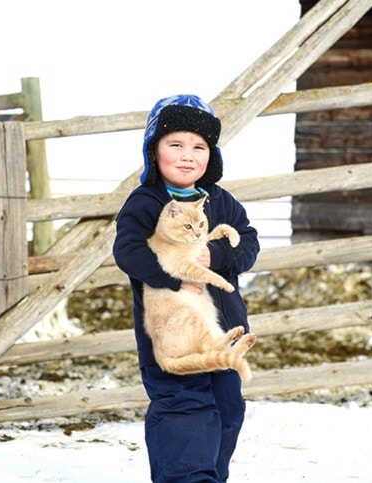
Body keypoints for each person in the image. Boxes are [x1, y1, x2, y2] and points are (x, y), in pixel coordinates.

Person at [113, 94, 260, 482]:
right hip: (172, 329)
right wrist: (174, 275)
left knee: (228, 410)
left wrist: (217, 255)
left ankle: (210, 476)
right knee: (184, 407)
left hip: (221, 329)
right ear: (153, 151)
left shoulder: (223, 203)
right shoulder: (145, 203)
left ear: (211, 155)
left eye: (199, 147)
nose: (187, 155)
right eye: (175, 144)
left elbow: (247, 244)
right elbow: (128, 252)